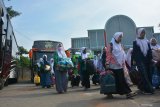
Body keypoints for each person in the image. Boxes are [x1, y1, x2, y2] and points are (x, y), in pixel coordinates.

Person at [106, 32, 136, 98]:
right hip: (112, 65)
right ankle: (109, 92)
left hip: (119, 65)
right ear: (116, 37)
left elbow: (122, 54)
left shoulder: (120, 45)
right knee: (113, 80)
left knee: (121, 79)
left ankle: (127, 93)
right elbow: (108, 55)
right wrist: (107, 63)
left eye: (121, 37)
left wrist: (123, 62)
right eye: (120, 37)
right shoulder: (111, 44)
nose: (121, 38)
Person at [131, 28, 154, 94]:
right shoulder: (135, 42)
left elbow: (149, 51)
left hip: (147, 60)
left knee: (148, 74)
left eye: (144, 33)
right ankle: (148, 89)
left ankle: (142, 87)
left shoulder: (147, 41)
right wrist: (133, 61)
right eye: (142, 33)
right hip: (139, 61)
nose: (143, 34)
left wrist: (151, 59)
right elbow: (134, 52)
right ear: (139, 33)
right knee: (144, 74)